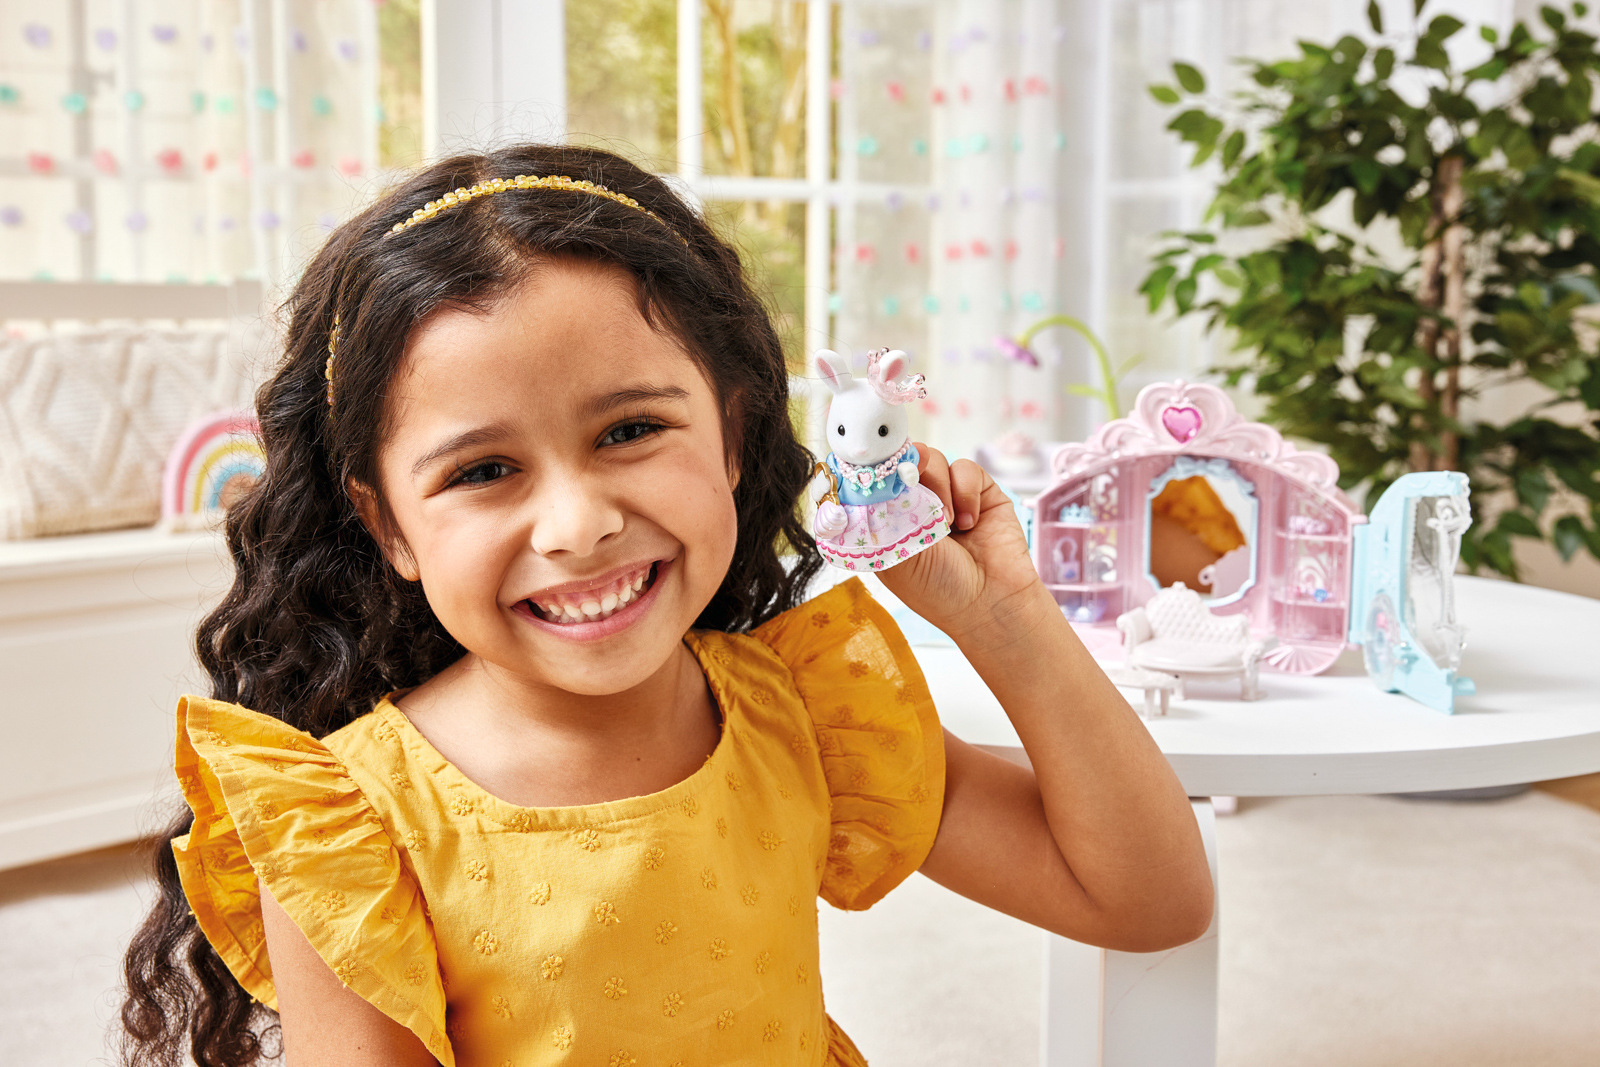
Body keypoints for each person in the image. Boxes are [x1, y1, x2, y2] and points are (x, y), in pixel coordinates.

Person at [119, 144, 1212, 1067]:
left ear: (733, 435)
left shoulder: (806, 710)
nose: (578, 524)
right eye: (483, 470)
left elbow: (1147, 899)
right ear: (389, 524)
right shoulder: (345, 822)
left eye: (631, 430)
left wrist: (1005, 616)